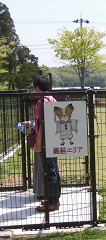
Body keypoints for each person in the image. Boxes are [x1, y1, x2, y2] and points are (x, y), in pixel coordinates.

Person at [22, 75, 61, 212]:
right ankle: (54, 198)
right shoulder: (52, 99)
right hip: (53, 139)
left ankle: (52, 202)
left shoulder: (42, 101)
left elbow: (42, 124)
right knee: (53, 169)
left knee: (50, 171)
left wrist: (38, 142)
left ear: (37, 88)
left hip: (46, 141)